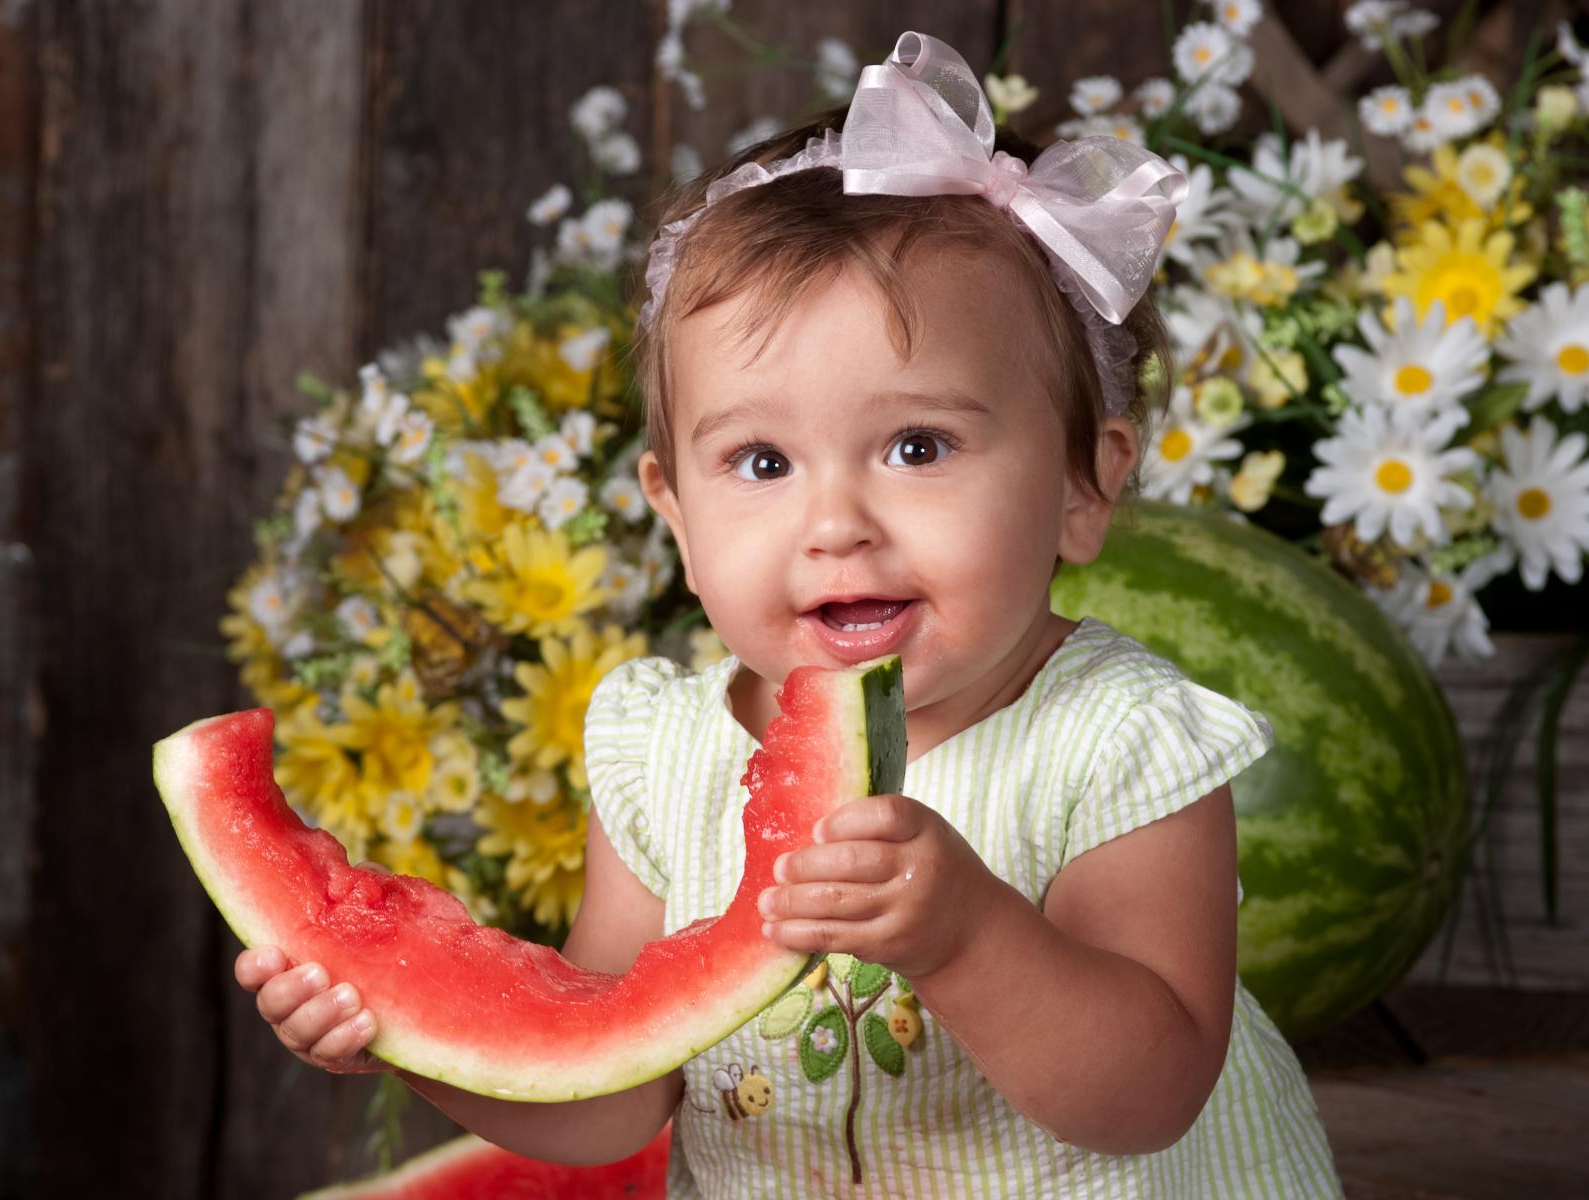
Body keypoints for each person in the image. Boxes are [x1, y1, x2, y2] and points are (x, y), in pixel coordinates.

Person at [236, 30, 1343, 1198]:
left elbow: (1148, 1094)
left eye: (916, 446)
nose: (835, 524)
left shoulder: (1120, 739)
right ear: (671, 508)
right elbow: (609, 1086)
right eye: (760, 462)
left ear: (1085, 483)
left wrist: (969, 936)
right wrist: (412, 1032)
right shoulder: (662, 751)